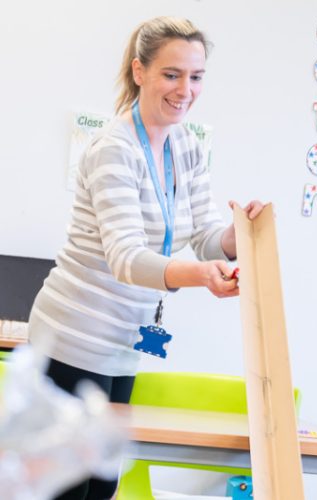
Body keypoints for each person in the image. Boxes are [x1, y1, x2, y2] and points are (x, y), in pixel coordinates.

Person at [28, 16, 264, 500]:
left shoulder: (188, 146)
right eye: (171, 74)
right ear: (140, 72)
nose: (185, 90)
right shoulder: (114, 149)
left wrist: (242, 235)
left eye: (196, 77)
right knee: (69, 489)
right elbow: (126, 259)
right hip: (73, 337)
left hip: (123, 342)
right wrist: (202, 276)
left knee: (103, 485)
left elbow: (202, 234)